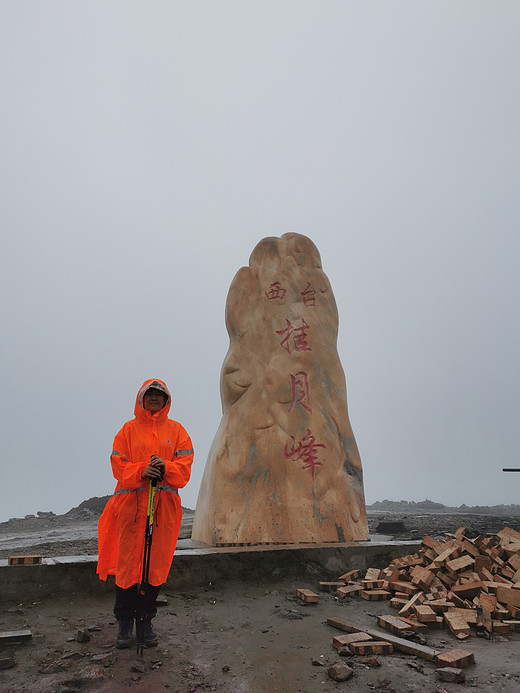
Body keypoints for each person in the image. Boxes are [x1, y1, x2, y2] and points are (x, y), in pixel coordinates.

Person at [97, 378, 193, 649]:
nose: (154, 398)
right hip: (131, 512)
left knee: (155, 568)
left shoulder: (177, 431)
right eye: (150, 394)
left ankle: (145, 621)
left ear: (166, 400)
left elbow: (184, 468)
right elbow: (118, 463)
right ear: (141, 398)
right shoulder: (127, 430)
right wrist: (141, 470)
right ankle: (125, 624)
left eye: (159, 394)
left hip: (163, 512)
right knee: (127, 569)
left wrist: (166, 467)